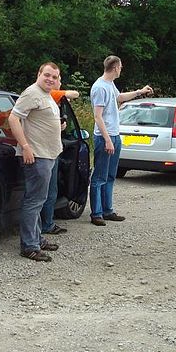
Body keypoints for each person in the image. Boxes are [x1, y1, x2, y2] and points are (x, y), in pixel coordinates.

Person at [8, 62, 65, 262]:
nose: (50, 79)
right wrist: (25, 146)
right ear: (38, 74)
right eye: (47, 75)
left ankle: (37, 239)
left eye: (55, 77)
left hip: (48, 154)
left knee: (39, 200)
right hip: (37, 155)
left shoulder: (46, 95)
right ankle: (29, 246)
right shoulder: (32, 93)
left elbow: (40, 121)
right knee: (34, 201)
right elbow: (14, 119)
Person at [89, 55, 153, 226]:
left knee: (110, 175)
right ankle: (96, 213)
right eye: (121, 66)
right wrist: (107, 139)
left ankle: (107, 210)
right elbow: (97, 116)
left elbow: (119, 98)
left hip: (115, 136)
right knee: (99, 176)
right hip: (105, 138)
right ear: (116, 67)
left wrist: (139, 92)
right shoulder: (100, 87)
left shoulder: (110, 85)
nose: (121, 69)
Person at [41, 80, 80, 236]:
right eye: (58, 80)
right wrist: (63, 95)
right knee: (49, 191)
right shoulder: (51, 94)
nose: (60, 82)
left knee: (48, 190)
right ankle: (47, 224)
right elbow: (74, 94)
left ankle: (46, 223)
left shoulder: (49, 99)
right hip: (48, 151)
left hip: (50, 149)